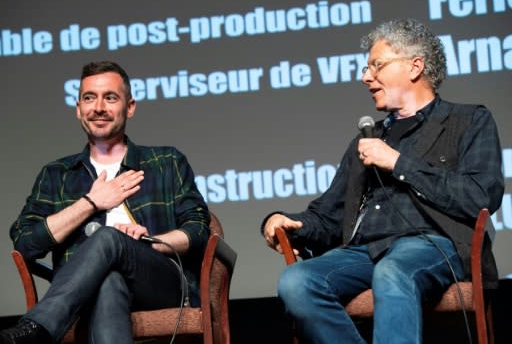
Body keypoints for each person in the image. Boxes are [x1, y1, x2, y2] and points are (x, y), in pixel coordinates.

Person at [261, 18, 504, 344]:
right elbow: (329, 216)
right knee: (296, 281)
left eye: (377, 65)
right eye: (365, 68)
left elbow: (480, 195)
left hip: (433, 245)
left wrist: (398, 163)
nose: (365, 77)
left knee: (392, 271)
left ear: (415, 66)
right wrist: (292, 223)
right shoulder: (368, 138)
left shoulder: (469, 120)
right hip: (363, 251)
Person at [0, 61, 210, 344]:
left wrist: (152, 242)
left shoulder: (166, 161)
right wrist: (90, 202)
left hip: (160, 283)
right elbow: (25, 242)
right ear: (78, 109)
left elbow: (198, 230)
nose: (98, 107)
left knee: (110, 238)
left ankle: (37, 329)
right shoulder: (56, 175)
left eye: (110, 98)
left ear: (130, 106)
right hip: (85, 293)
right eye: (89, 98)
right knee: (109, 280)